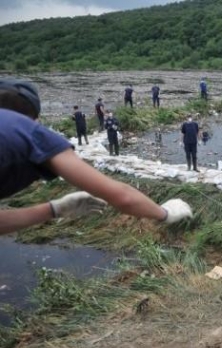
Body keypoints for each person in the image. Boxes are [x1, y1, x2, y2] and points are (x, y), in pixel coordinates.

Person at [0, 80, 193, 243]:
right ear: (34, 117)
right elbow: (121, 196)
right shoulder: (25, 130)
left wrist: (54, 209)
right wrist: (165, 213)